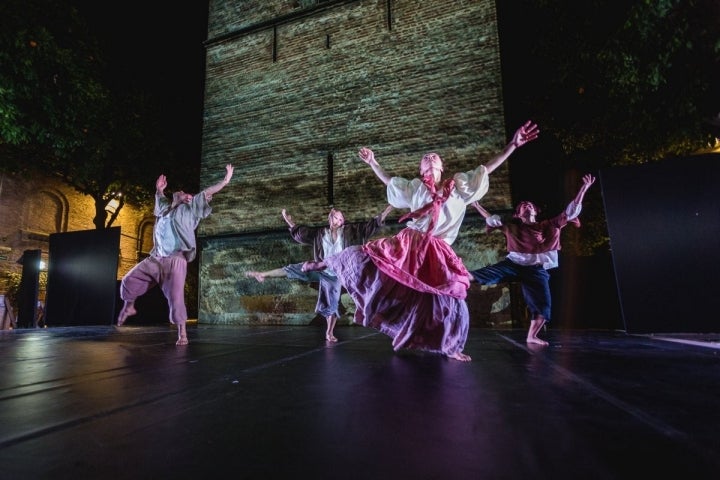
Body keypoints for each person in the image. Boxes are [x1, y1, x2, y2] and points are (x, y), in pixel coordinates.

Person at [302, 121, 540, 362]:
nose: (430, 156)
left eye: (434, 156)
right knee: (366, 256)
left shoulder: (458, 186)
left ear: (441, 166)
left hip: (438, 248)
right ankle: (324, 263)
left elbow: (486, 169)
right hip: (411, 243)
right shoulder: (415, 187)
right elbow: (389, 181)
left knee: (452, 294)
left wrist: (513, 145)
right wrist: (373, 163)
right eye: (426, 157)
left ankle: (451, 344)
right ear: (421, 168)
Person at [469, 173, 596, 346]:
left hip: (536, 270)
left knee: (543, 307)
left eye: (529, 205)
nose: (526, 205)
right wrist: (477, 205)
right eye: (522, 206)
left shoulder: (550, 225)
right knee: (479, 275)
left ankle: (532, 336)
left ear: (535, 211)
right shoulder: (512, 227)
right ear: (518, 215)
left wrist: (584, 189)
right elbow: (491, 219)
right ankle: (450, 279)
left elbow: (571, 211)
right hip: (513, 265)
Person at [117, 164, 234, 345]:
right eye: (181, 193)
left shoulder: (190, 209)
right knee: (129, 280)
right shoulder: (165, 208)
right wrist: (159, 189)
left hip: (175, 260)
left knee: (176, 296)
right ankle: (129, 307)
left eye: (187, 194)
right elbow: (160, 199)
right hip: (156, 258)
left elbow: (208, 192)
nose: (184, 193)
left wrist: (225, 181)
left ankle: (182, 333)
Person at [245, 205, 393, 342]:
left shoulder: (349, 231)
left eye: (340, 217)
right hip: (319, 269)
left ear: (342, 221)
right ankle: (263, 274)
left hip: (336, 274)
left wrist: (389, 208)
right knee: (293, 269)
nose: (337, 218)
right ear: (331, 218)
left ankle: (329, 332)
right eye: (335, 216)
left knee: (333, 302)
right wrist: (289, 221)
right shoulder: (320, 233)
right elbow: (302, 234)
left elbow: (371, 225)